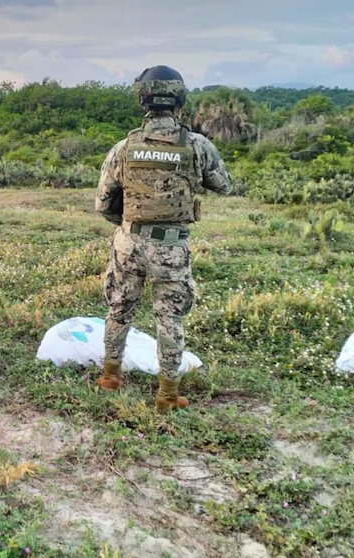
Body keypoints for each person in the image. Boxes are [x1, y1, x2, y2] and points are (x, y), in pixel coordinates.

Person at [94, 65, 233, 412]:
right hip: (171, 246)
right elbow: (223, 185)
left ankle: (110, 376)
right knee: (169, 317)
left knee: (119, 308)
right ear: (179, 99)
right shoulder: (197, 145)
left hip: (129, 242)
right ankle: (167, 395)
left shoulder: (124, 147)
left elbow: (102, 202)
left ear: (142, 99)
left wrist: (126, 223)